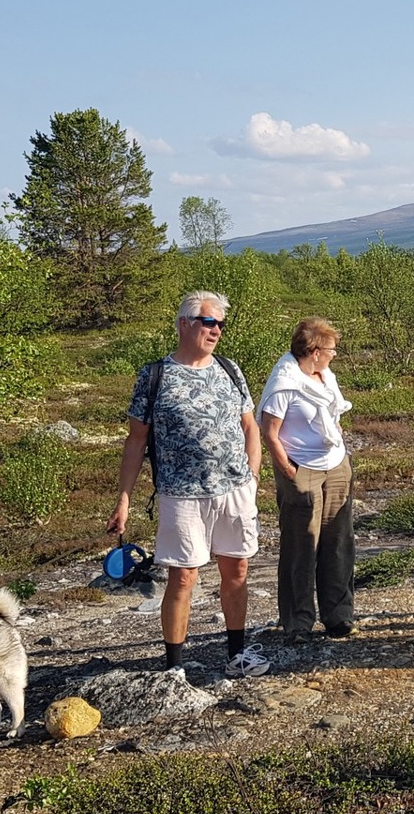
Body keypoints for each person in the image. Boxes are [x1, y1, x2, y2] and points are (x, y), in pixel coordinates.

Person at [108, 291, 270, 679]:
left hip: (234, 490)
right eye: (209, 322)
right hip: (181, 493)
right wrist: (124, 499)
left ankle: (237, 654)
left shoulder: (230, 369)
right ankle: (174, 668)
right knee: (183, 576)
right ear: (184, 324)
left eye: (220, 325)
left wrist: (253, 472)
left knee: (238, 569)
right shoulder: (155, 375)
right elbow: (136, 441)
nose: (216, 331)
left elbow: (250, 425)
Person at [257, 317, 356, 644]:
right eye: (330, 349)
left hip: (335, 464)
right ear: (313, 351)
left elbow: (332, 415)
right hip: (302, 469)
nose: (334, 355)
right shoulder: (285, 383)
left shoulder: (324, 376)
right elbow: (269, 433)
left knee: (337, 541)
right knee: (301, 546)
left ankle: (338, 616)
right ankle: (298, 622)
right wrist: (289, 471)